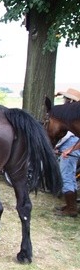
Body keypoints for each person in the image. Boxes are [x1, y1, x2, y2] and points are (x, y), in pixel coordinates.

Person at [53, 88, 80, 217]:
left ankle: (71, 208)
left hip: (70, 151)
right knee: (71, 177)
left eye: (65, 99)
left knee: (67, 176)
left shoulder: (69, 119)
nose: (63, 101)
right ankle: (71, 205)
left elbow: (67, 136)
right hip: (72, 150)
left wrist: (67, 149)